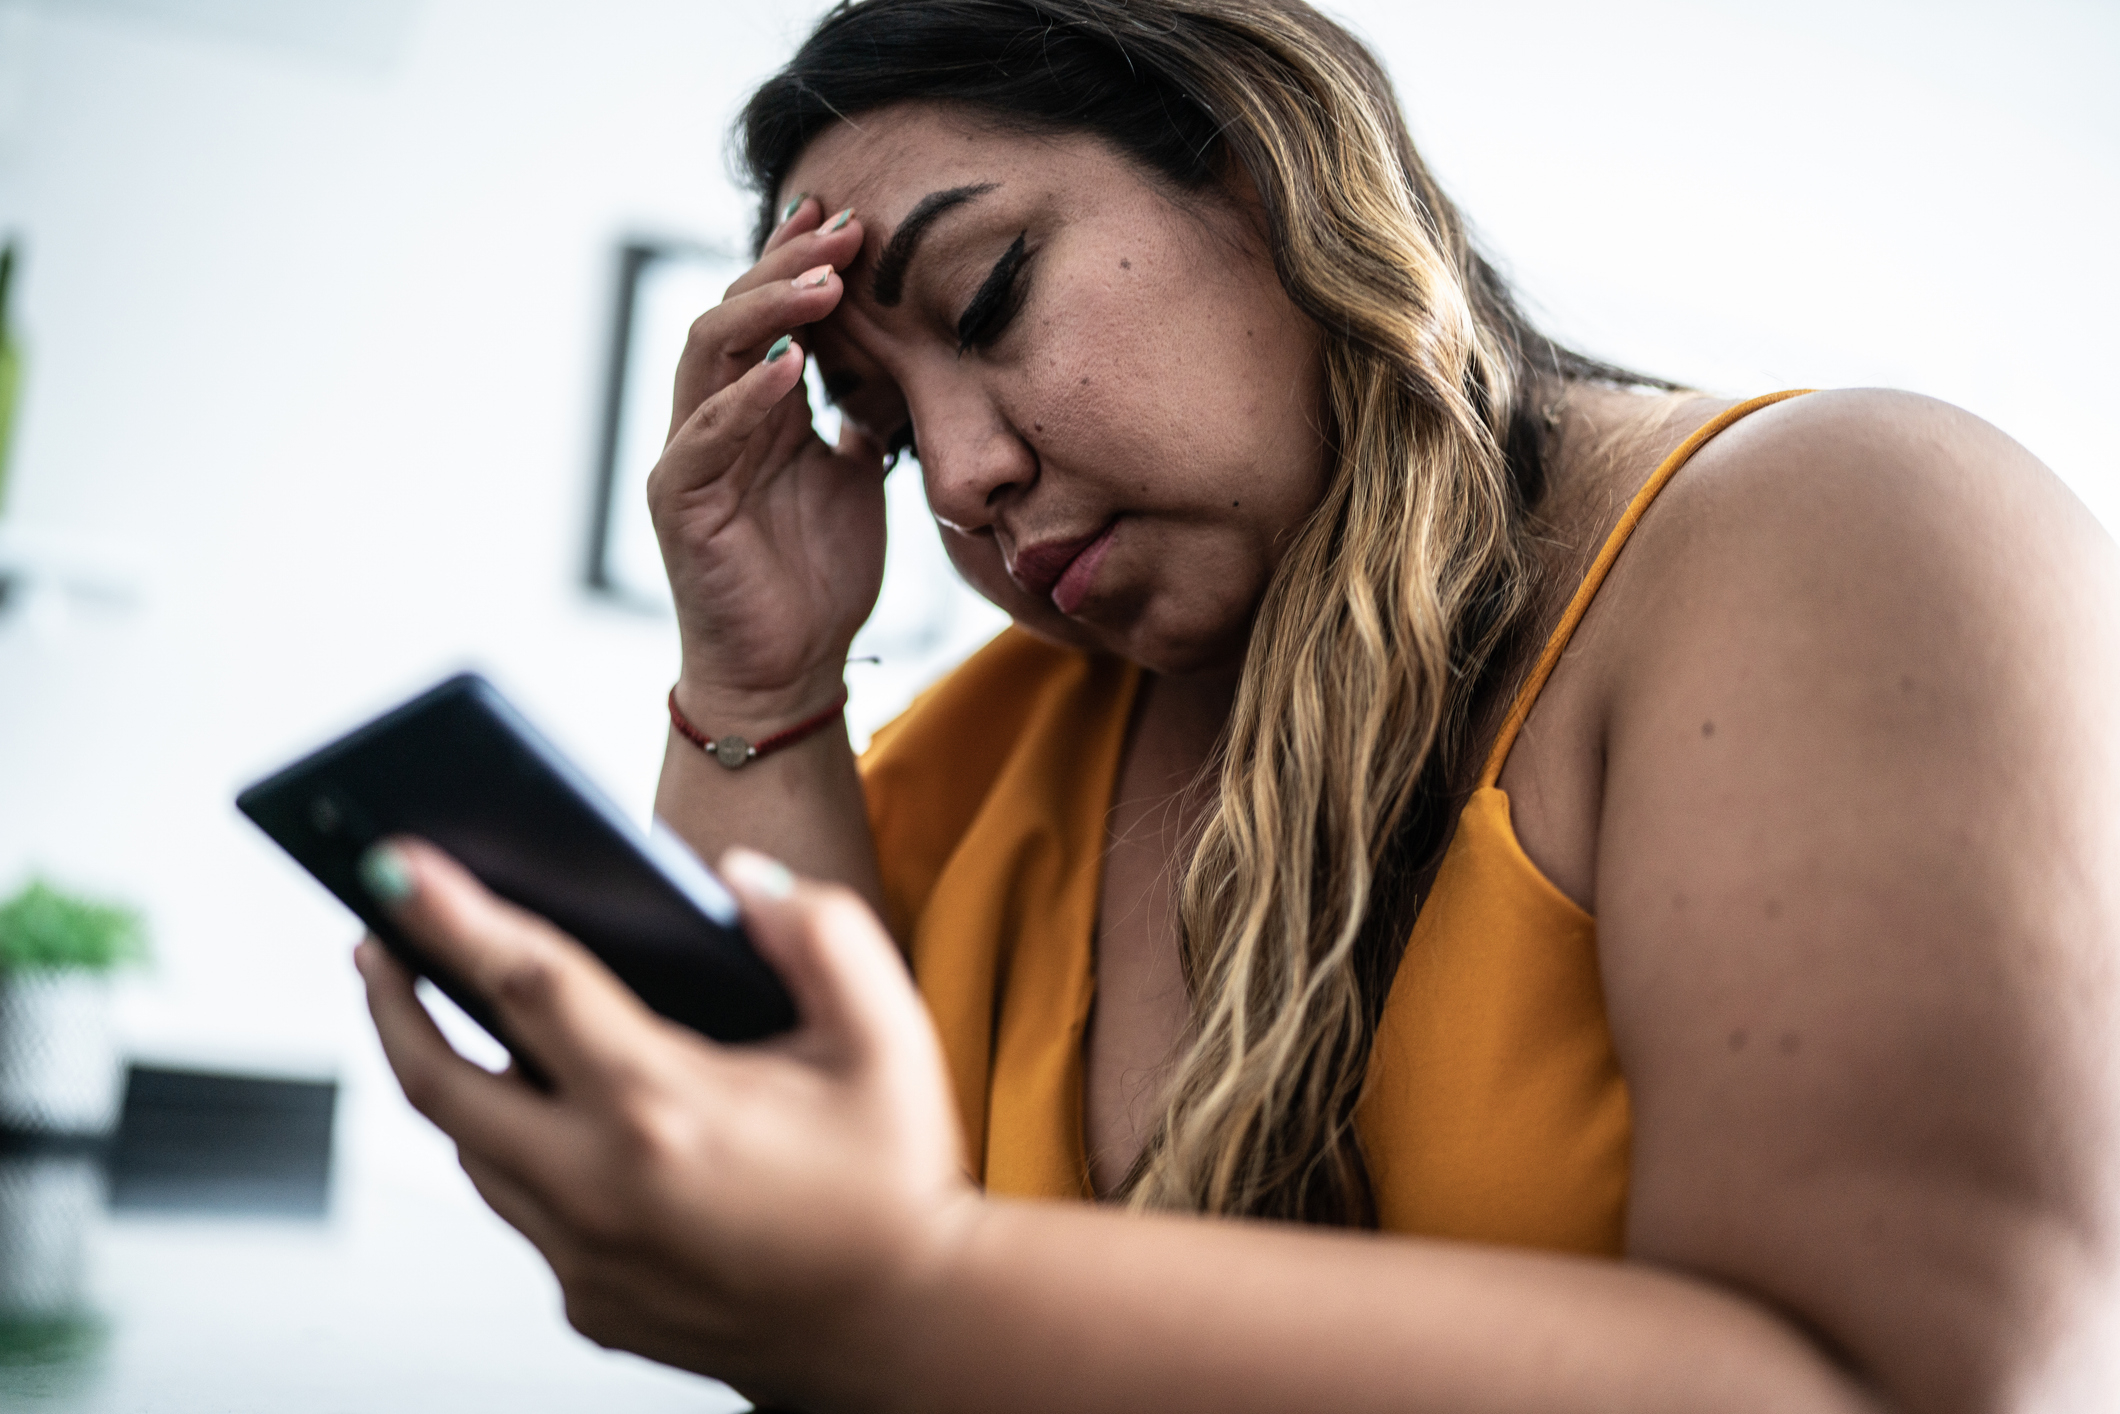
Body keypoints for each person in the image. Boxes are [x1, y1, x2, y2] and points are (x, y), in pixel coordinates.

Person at [350, 1, 2120, 1408]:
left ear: (1266, 169)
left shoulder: (1839, 526)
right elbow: (776, 1272)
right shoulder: (989, 758)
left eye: (989, 296)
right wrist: (758, 676)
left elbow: (1920, 1386)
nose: (959, 477)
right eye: (883, 428)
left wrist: (907, 1297)